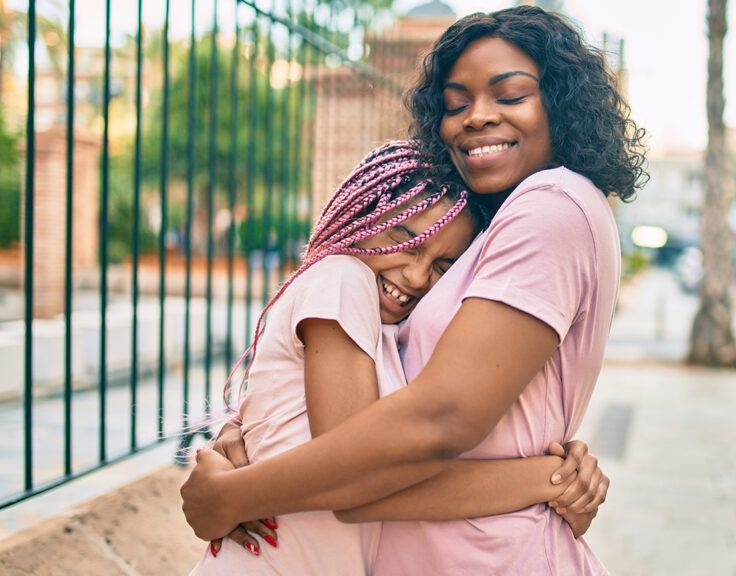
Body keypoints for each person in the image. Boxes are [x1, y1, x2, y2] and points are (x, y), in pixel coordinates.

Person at [181, 6, 646, 574]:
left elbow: (431, 422)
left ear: (563, 103)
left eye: (510, 95)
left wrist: (237, 494)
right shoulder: (472, 236)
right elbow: (375, 400)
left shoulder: (551, 203)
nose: (475, 117)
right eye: (455, 104)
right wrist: (256, 427)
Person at [189, 140, 603, 575]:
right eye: (406, 240)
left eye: (444, 266)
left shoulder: (388, 327)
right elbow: (356, 474)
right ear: (362, 217)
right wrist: (549, 478)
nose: (416, 275)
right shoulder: (341, 279)